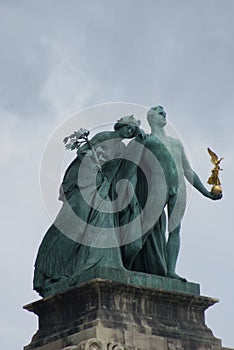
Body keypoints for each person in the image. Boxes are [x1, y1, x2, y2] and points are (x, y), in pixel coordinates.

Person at [33, 115, 141, 297]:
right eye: (129, 127)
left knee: (88, 228)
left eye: (134, 130)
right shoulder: (105, 136)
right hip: (84, 181)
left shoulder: (122, 148)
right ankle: (48, 272)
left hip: (100, 187)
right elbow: (82, 152)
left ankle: (69, 271)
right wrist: (93, 159)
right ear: (121, 125)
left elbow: (119, 171)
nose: (131, 131)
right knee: (73, 225)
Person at [119, 106, 222, 281]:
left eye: (164, 111)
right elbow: (134, 167)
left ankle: (170, 270)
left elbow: (188, 171)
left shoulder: (175, 143)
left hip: (180, 186)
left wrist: (206, 192)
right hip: (158, 184)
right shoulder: (146, 139)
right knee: (146, 226)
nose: (163, 112)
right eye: (159, 111)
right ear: (151, 118)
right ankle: (125, 263)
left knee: (175, 229)